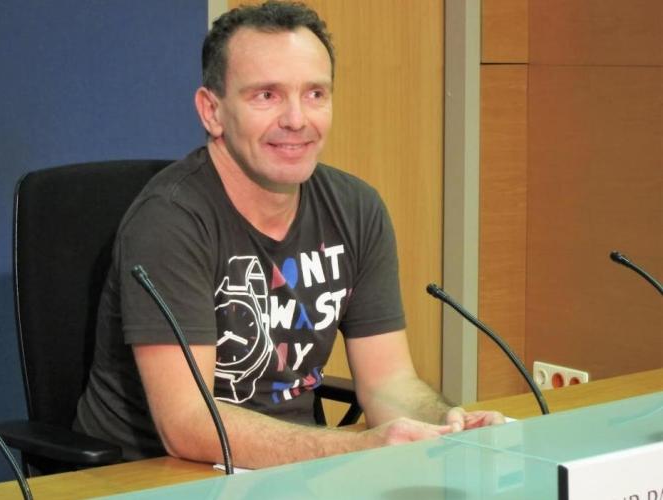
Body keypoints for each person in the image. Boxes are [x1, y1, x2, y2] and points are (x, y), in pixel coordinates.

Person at [74, 0, 503, 468]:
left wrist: (447, 425)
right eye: (267, 95)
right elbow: (189, 423)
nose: (297, 119)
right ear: (212, 111)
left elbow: (388, 382)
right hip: (151, 474)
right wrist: (353, 448)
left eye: (315, 93)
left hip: (287, 469)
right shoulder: (169, 222)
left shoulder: (357, 209)